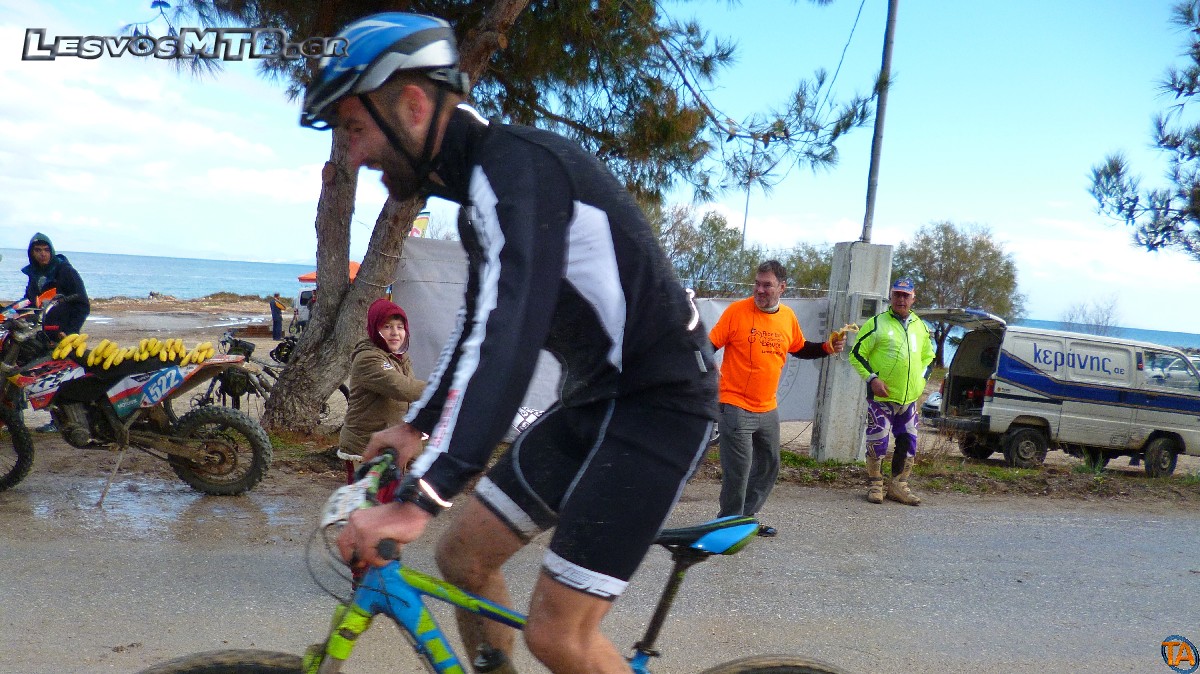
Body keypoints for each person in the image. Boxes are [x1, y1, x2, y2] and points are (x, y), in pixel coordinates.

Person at [302, 13, 717, 673]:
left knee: (560, 636)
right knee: (462, 558)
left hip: (659, 407)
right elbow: (478, 325)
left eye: (353, 128)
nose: (352, 155)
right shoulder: (483, 197)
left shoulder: (518, 171)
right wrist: (416, 426)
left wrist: (424, 497)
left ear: (413, 105)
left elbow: (508, 337)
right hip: (594, 403)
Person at [708, 260, 845, 537]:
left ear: (782, 287)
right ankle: (727, 524)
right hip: (734, 405)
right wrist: (707, 371)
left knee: (769, 465)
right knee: (739, 470)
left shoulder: (787, 317)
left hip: (767, 407)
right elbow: (707, 345)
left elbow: (799, 348)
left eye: (767, 285)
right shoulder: (736, 312)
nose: (760, 290)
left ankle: (745, 519)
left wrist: (827, 347)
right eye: (757, 284)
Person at [849, 278, 935, 506]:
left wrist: (921, 382)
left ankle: (899, 486)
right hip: (881, 398)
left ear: (913, 298)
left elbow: (929, 358)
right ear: (890, 296)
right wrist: (872, 378)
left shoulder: (920, 327)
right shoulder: (876, 324)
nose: (901, 299)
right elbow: (856, 354)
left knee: (908, 443)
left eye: (906, 295)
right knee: (878, 442)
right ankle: (875, 484)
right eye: (897, 294)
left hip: (909, 400)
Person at [338, 298, 426, 483]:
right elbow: (402, 388)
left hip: (390, 444)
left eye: (400, 327)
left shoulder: (400, 358)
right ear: (374, 329)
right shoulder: (368, 358)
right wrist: (444, 389)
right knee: (366, 499)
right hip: (366, 446)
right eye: (387, 327)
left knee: (391, 498)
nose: (395, 333)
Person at [21, 233, 89, 337]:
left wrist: (70, 331)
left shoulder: (65, 271)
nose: (43, 254)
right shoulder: (34, 273)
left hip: (62, 331)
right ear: (31, 253)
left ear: (51, 251)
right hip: (41, 330)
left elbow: (82, 304)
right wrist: (8, 312)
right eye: (38, 250)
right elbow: (29, 301)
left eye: (46, 250)